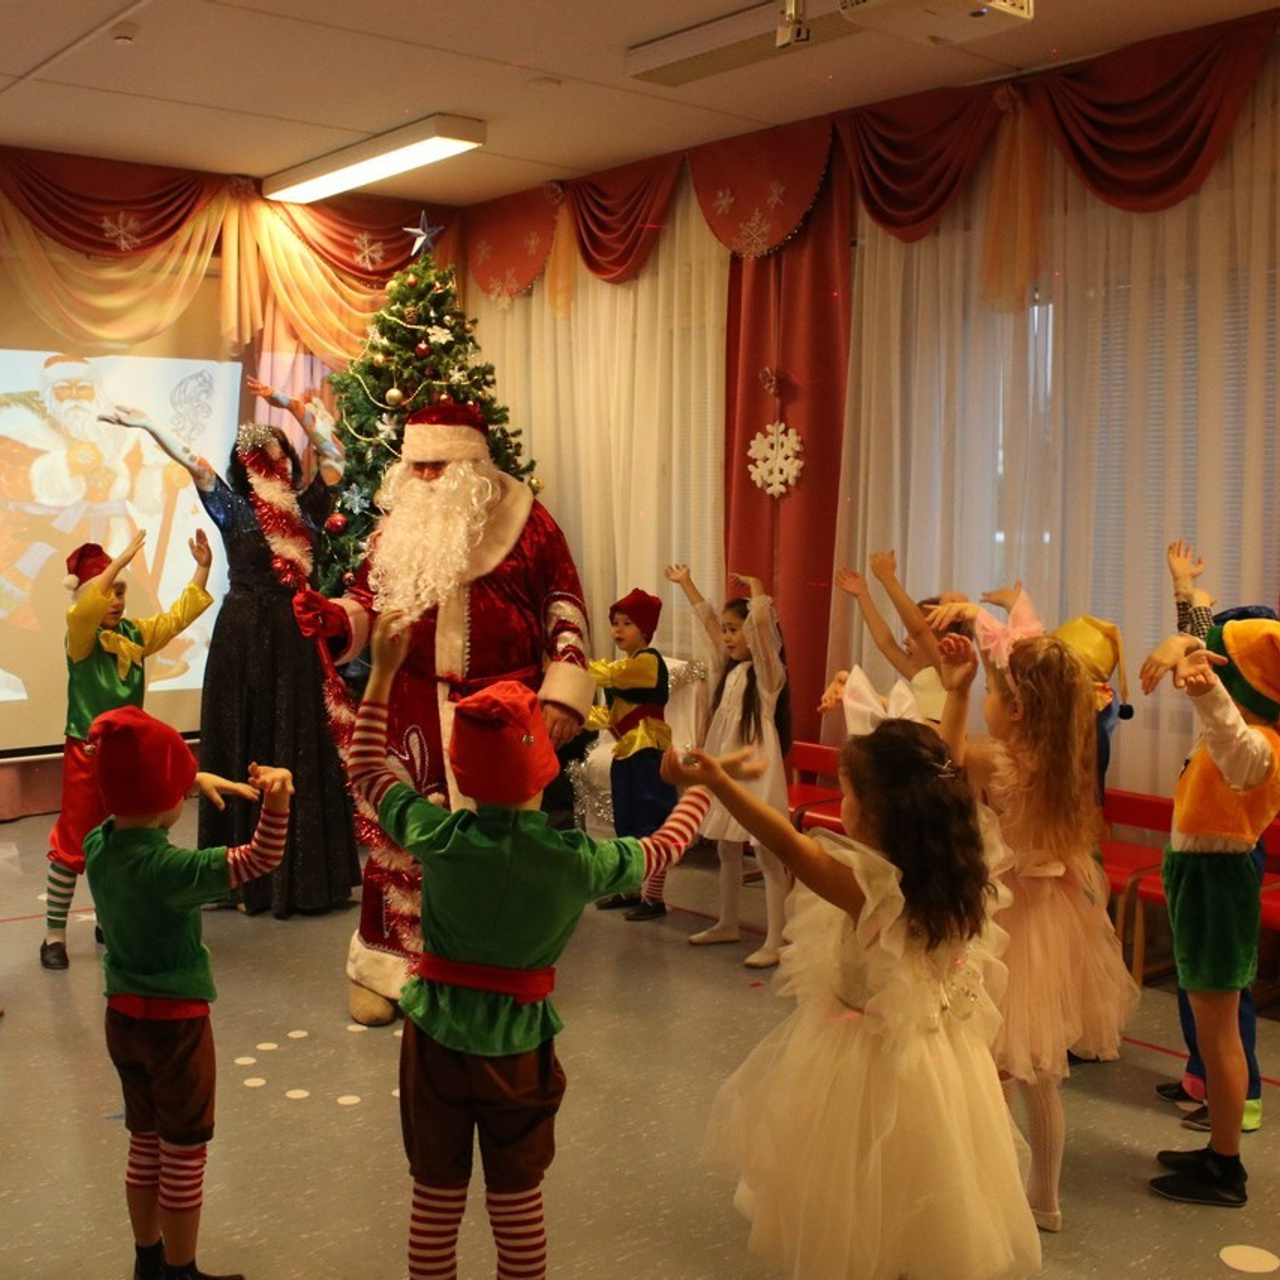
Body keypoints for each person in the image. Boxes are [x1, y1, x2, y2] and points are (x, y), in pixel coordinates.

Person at [345, 614, 740, 1280]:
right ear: (541, 767)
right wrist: (702, 786)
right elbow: (662, 847)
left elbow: (366, 770)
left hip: (435, 1042)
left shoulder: (438, 835)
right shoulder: (574, 861)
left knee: (435, 1198)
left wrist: (381, 673)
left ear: (464, 770)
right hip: (519, 1050)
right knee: (517, 1201)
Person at [662, 722, 1041, 1280]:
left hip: (868, 1060)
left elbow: (785, 842)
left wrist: (718, 783)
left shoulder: (870, 888)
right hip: (942, 1061)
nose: (842, 806)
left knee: (861, 1199)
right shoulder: (956, 869)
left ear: (879, 810)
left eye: (847, 794)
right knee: (925, 1194)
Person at [293, 398, 594, 1023]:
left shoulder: (528, 522)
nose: (426, 478)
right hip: (410, 705)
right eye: (418, 466)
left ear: (470, 465)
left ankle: (489, 972)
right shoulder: (396, 527)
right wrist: (337, 619)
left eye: (438, 467)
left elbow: (563, 603)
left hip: (501, 709)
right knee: (398, 837)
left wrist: (564, 687)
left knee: (500, 847)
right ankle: (386, 968)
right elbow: (367, 598)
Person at [102, 385, 361, 917]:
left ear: (287, 461)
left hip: (293, 634)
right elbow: (191, 462)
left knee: (296, 737)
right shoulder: (230, 506)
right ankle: (241, 881)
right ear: (244, 466)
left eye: (275, 451)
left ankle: (305, 879)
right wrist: (149, 423)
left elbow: (334, 454)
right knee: (240, 735)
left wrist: (292, 406)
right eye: (256, 454)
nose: (267, 459)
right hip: (241, 634)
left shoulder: (308, 507)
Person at [937, 606, 1139, 1232]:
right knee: (1039, 1073)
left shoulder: (1001, 763)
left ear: (1019, 709)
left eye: (995, 695)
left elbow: (944, 760)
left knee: (994, 1062)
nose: (989, 703)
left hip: (1011, 922)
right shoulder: (1066, 760)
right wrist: (988, 657)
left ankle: (1000, 1188)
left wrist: (958, 691)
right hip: (1056, 918)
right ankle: (1044, 1200)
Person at [83, 704, 293, 1280]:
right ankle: (182, 1271)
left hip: (122, 1020)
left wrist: (184, 779)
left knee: (144, 1143)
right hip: (175, 1028)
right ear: (166, 799)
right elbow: (261, 858)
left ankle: (148, 1261)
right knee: (183, 1154)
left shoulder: (99, 844)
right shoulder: (171, 870)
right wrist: (277, 801)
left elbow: (133, 794)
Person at [1138, 616, 1280, 1207]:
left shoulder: (1264, 745)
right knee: (1209, 1024)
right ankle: (1218, 1145)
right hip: (1200, 880)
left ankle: (1226, 1167)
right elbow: (1223, 732)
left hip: (1218, 886)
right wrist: (1188, 647)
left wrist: (1208, 692)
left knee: (1220, 1032)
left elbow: (1237, 751)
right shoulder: (1239, 731)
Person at [41, 528, 212, 970]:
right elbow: (82, 612)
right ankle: (53, 934)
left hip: (128, 758)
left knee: (124, 837)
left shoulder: (134, 634)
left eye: (121, 591)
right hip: (87, 757)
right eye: (108, 592)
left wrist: (202, 570)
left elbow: (176, 619)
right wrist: (116, 563)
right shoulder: (81, 639)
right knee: (74, 842)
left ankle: (109, 920)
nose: (115, 600)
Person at [1153, 539, 1271, 1135]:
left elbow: (1206, 665)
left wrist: (1189, 609)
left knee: (1225, 994)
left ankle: (1239, 1097)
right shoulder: (1235, 720)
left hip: (1227, 861)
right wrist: (1184, 590)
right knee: (1197, 987)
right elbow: (1203, 647)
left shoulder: (1256, 739)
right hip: (1198, 864)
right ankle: (1203, 1074)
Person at [665, 564, 790, 968]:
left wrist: (758, 593)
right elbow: (707, 623)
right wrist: (687, 583)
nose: (727, 636)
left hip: (757, 769)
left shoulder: (768, 677)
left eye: (735, 629)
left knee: (767, 852)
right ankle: (728, 922)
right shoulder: (729, 671)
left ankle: (776, 938)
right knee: (726, 846)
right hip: (728, 767)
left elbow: (764, 635)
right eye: (727, 630)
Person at [589, 587, 678, 920]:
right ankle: (631, 889)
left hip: (648, 752)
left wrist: (574, 667)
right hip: (627, 752)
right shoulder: (624, 667)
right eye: (615, 623)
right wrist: (576, 716)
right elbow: (610, 716)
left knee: (651, 823)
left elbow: (615, 677)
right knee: (627, 822)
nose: (618, 629)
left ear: (645, 629)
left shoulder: (648, 661)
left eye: (627, 623)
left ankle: (654, 899)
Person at [833, 551, 970, 722]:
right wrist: (862, 595)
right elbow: (886, 644)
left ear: (945, 642)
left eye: (911, 635)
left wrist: (888, 578)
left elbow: (919, 631)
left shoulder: (948, 674)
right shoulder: (922, 674)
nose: (905, 640)